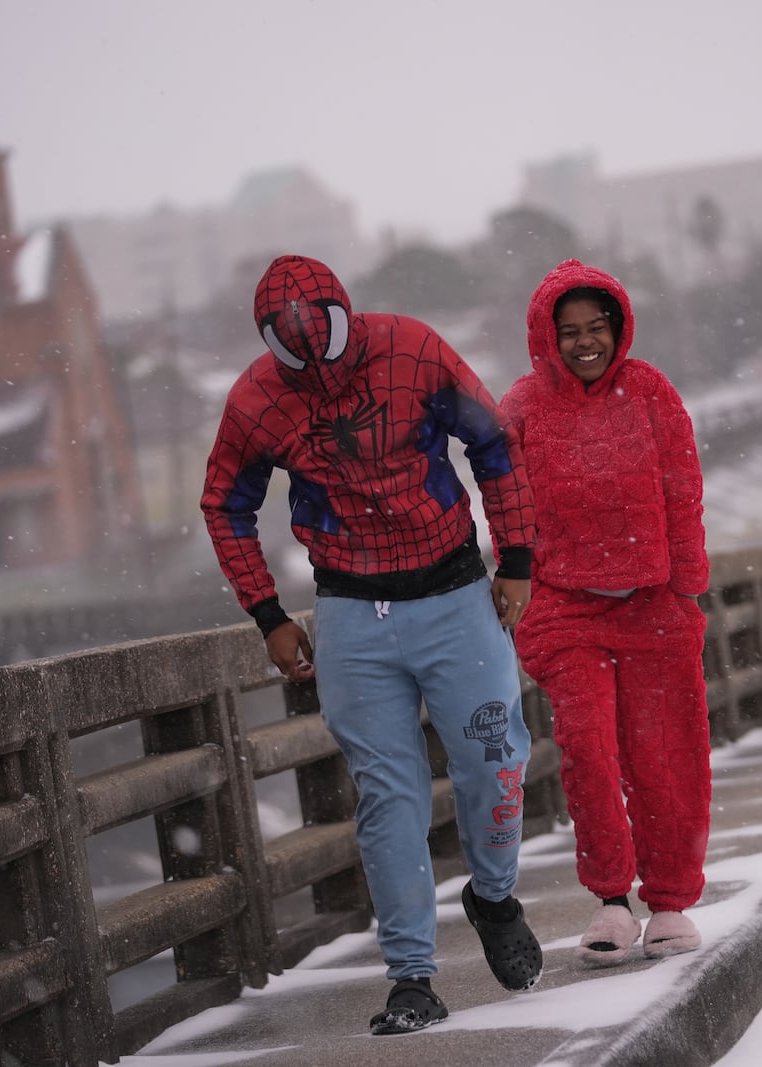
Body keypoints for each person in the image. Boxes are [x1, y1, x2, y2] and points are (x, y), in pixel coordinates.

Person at [200, 254, 543, 1035]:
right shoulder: (258, 400)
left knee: (496, 761)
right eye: (292, 349)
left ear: (347, 316)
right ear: (271, 344)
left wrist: (515, 558)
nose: (313, 361)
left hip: (454, 590)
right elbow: (225, 503)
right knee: (389, 796)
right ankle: (412, 975)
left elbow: (493, 445)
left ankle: (492, 897)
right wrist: (267, 612)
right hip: (353, 611)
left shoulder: (413, 351)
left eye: (323, 338)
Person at [499, 259, 712, 966]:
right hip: (567, 609)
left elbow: (682, 484)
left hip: (653, 605)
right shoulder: (524, 406)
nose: (584, 342)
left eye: (597, 328)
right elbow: (505, 503)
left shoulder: (650, 390)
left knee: (663, 754)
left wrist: (684, 584)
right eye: (570, 331)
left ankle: (672, 900)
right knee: (588, 747)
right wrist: (519, 581)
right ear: (546, 337)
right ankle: (612, 899)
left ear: (617, 329)